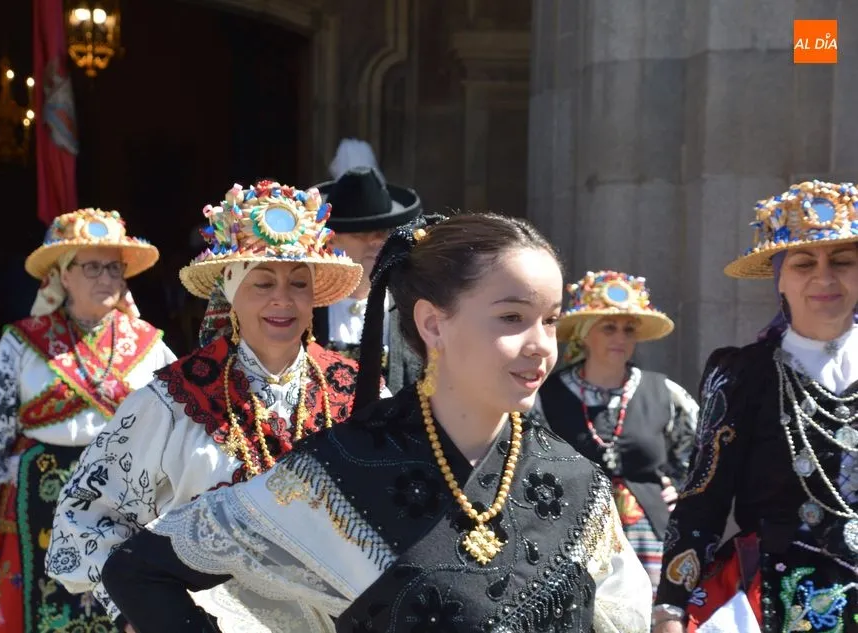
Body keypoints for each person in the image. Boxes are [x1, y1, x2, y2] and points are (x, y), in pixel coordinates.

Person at [99, 212, 653, 633]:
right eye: (512, 317)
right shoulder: (341, 473)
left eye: (550, 320)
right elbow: (139, 570)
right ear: (432, 324)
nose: (541, 346)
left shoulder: (576, 481)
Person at [46, 180, 368, 629]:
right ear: (232, 295)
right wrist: (144, 610)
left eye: (298, 282)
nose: (282, 298)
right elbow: (84, 514)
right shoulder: (174, 401)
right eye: (263, 282)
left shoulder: (358, 392)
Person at [0, 208, 177, 633]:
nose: (106, 278)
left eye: (114, 267)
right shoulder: (22, 343)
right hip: (36, 503)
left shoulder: (150, 347)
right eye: (92, 267)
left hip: (124, 505)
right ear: (63, 275)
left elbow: (178, 435)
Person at [654, 180, 858, 632]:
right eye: (804, 263)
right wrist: (670, 609)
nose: (825, 277)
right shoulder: (742, 374)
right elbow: (703, 501)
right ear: (779, 277)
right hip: (778, 601)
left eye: (843, 261)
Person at [535, 270, 698, 593]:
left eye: (628, 329)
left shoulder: (665, 392)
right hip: (571, 536)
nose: (620, 338)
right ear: (584, 334)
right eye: (609, 328)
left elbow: (702, 452)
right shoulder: (546, 396)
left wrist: (683, 490)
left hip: (649, 538)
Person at [314, 138, 424, 392]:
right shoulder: (306, 308)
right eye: (361, 233)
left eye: (383, 231)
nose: (376, 241)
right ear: (331, 239)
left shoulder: (409, 309)